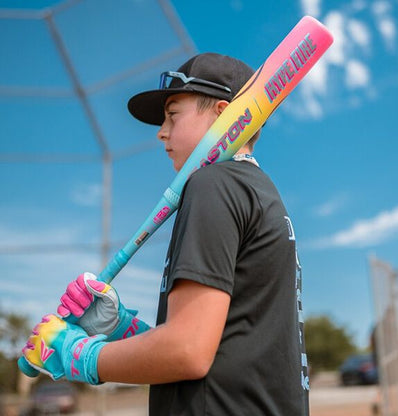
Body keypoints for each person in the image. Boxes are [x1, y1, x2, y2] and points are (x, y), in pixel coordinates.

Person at [20, 52, 309, 415]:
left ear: (223, 114)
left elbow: (187, 352)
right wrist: (121, 327)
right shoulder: (260, 191)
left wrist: (81, 356)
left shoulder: (213, 185)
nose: (161, 132)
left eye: (173, 115)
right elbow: (219, 349)